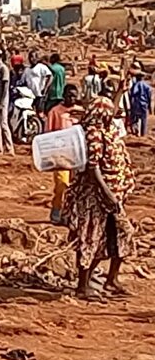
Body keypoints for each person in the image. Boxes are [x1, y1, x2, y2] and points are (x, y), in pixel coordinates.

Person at [64, 96, 135, 300]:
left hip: (113, 194)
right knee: (91, 239)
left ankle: (111, 280)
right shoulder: (93, 134)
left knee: (122, 234)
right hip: (95, 198)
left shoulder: (108, 130)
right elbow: (93, 168)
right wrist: (108, 194)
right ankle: (82, 286)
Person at [47, 85, 79, 224]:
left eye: (74, 96)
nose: (72, 98)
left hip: (77, 156)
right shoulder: (55, 112)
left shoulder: (79, 112)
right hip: (61, 156)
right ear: (64, 95)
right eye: (69, 95)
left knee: (76, 187)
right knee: (62, 184)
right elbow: (48, 134)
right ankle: (56, 211)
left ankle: (71, 215)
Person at [127, 71, 151, 136]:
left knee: (134, 118)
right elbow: (149, 97)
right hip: (144, 104)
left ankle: (136, 131)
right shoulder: (147, 86)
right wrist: (149, 107)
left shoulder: (137, 85)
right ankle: (143, 133)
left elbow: (133, 93)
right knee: (144, 119)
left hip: (137, 104)